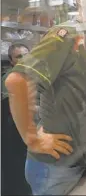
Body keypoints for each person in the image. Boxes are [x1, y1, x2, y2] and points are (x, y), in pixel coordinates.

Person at [4, 0, 86, 195]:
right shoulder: (66, 35)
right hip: (55, 168)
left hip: (80, 160)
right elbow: (17, 81)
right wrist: (32, 138)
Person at [1, 43, 32, 195]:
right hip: (16, 134)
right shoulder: (10, 79)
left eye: (26, 55)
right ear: (12, 61)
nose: (24, 59)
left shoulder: (33, 76)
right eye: (19, 57)